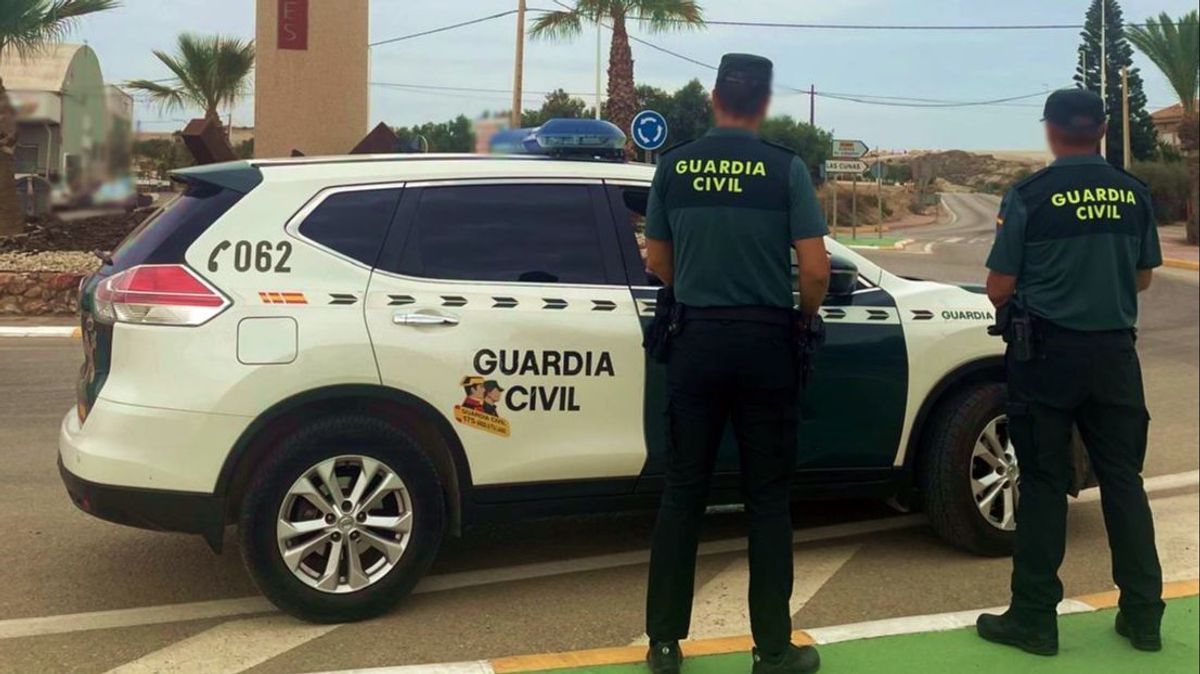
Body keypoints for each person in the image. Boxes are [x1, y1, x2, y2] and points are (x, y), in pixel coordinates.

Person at [642, 53, 830, 674]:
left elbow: (657, 263)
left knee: (683, 493)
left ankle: (665, 646)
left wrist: (698, 285)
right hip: (765, 343)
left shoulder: (674, 166)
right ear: (764, 103)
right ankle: (772, 650)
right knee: (769, 500)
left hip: (695, 342)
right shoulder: (785, 169)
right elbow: (817, 271)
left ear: (715, 97)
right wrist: (801, 316)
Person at [977, 88, 1165, 656]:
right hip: (1114, 358)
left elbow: (998, 286)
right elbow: (1143, 277)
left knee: (1041, 484)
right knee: (1123, 482)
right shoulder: (1133, 193)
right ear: (1103, 130)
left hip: (1046, 359)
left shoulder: (1031, 194)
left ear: (1052, 131)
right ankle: (1143, 616)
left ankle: (1034, 620)